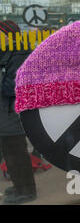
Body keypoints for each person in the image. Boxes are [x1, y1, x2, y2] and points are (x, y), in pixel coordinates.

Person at [0, 20, 37, 204]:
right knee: (10, 153)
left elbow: (12, 87)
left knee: (17, 154)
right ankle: (19, 186)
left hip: (14, 115)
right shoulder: (7, 52)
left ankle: (27, 191)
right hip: (5, 115)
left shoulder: (20, 55)